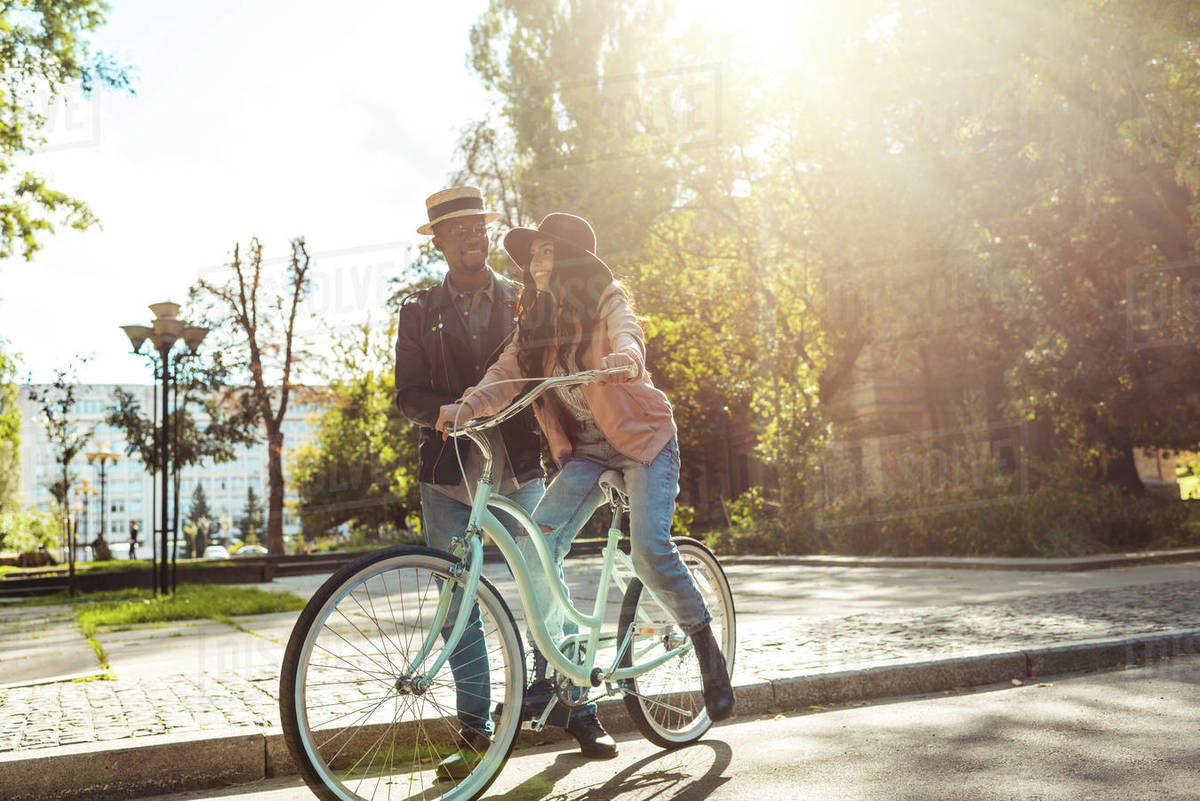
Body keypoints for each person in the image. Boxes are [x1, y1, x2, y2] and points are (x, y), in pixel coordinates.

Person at [437, 212, 735, 724]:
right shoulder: (536, 322)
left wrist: (626, 357)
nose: (534, 263)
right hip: (588, 453)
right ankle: (552, 673)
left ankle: (707, 647)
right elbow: (506, 372)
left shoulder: (605, 301)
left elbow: (628, 331)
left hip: (643, 443)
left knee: (648, 551)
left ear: (571, 260)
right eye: (532, 255)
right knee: (537, 546)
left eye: (546, 252)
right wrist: (468, 406)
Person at [395, 188, 617, 777]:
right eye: (458, 229)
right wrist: (448, 411)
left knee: (546, 579)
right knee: (456, 600)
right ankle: (475, 731)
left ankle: (577, 703)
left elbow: (549, 368)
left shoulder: (524, 299)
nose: (472, 235)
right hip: (446, 473)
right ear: (438, 242)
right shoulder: (418, 311)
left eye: (478, 225)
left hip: (517, 462)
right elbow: (407, 392)